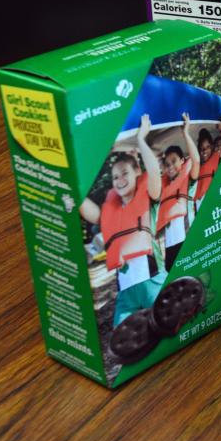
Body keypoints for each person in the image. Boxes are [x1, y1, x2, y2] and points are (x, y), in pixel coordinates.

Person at [79, 115, 165, 326]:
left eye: (124, 173)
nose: (119, 180)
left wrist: (142, 139)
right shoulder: (110, 208)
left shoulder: (149, 194)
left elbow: (153, 170)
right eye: (115, 177)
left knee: (164, 321)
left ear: (137, 172)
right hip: (125, 291)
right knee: (121, 334)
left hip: (152, 279)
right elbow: (90, 211)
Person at [157, 113, 200, 271]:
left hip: (188, 240)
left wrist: (185, 132)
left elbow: (195, 160)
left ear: (182, 161)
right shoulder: (164, 187)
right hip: (170, 248)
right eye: (167, 164)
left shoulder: (189, 181)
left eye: (174, 161)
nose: (170, 167)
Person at [194, 118, 221, 210]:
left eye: (207, 147)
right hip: (202, 205)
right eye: (202, 148)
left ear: (212, 147)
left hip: (217, 201)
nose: (205, 150)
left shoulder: (217, 158)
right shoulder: (196, 167)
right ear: (198, 150)